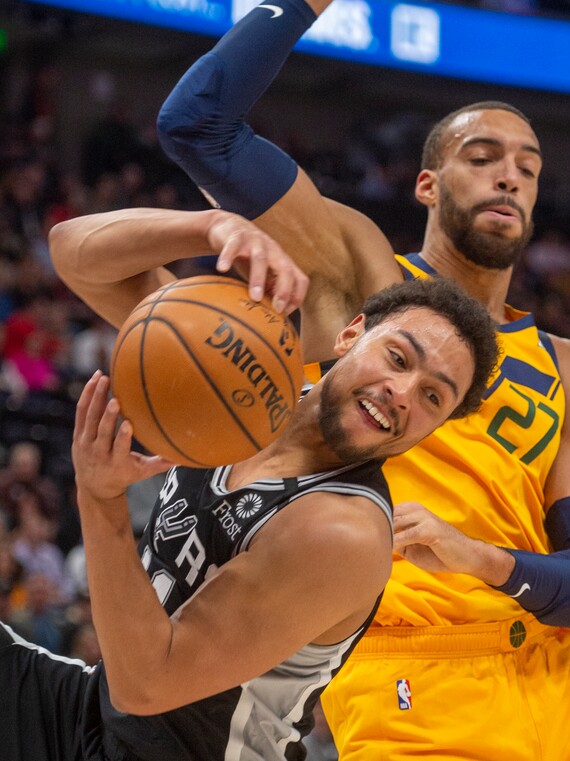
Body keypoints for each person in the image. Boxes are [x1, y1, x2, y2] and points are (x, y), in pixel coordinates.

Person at [156, 0, 570, 760]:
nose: (510, 173)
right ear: (428, 183)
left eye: (527, 163)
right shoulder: (360, 273)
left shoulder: (566, 366)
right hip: (415, 675)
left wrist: (485, 559)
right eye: (482, 155)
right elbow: (197, 123)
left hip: (562, 684)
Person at [0, 202, 498, 761]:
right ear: (350, 334)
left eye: (433, 396)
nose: (402, 392)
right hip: (97, 711)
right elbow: (74, 252)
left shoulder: (343, 531)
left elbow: (147, 684)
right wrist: (205, 228)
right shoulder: (241, 378)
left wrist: (100, 497)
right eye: (398, 357)